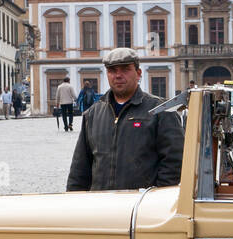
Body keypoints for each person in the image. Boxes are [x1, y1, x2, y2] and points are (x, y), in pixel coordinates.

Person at [67, 48, 184, 192]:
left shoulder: (160, 111)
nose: (118, 75)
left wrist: (155, 195)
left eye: (125, 69)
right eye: (112, 70)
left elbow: (175, 161)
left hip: (141, 203)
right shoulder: (92, 114)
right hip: (101, 202)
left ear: (138, 73)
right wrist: (73, 198)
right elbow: (80, 167)